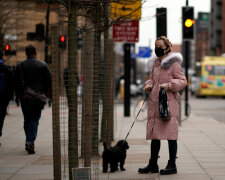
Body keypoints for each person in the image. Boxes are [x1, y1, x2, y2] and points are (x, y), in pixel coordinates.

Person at [138, 36, 187, 175]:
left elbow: (183, 81)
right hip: (155, 103)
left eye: (160, 46)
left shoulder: (174, 63)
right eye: (156, 46)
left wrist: (169, 85)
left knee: (171, 135)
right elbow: (152, 80)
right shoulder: (155, 64)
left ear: (167, 47)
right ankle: (153, 164)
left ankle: (172, 165)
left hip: (168, 105)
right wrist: (148, 85)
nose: (157, 48)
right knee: (155, 135)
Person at [14, 45, 51, 154]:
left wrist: (20, 93)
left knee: (27, 119)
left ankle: (29, 140)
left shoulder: (19, 66)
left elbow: (14, 82)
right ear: (35, 52)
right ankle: (30, 141)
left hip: (25, 97)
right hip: (38, 97)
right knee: (35, 119)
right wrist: (42, 92)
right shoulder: (43, 65)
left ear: (26, 53)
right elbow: (49, 81)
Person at [0, 50, 13, 144]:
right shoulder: (6, 69)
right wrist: (9, 97)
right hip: (2, 97)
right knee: (1, 117)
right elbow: (10, 85)